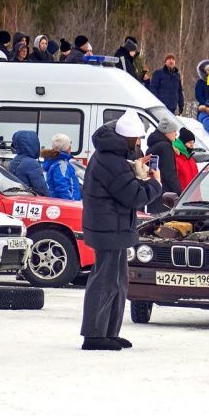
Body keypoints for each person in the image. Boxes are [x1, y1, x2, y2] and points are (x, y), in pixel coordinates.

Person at [80, 111, 159, 351]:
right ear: (127, 137)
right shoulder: (111, 162)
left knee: (117, 281)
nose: (138, 144)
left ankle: (108, 332)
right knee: (106, 281)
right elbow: (135, 196)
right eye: (136, 139)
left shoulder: (109, 156)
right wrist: (155, 182)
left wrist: (135, 171)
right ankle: (95, 335)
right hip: (109, 229)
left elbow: (123, 188)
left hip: (111, 227)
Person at [143, 117, 182, 213]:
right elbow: (169, 173)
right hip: (166, 198)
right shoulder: (165, 147)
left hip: (153, 194)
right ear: (167, 132)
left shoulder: (152, 147)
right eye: (174, 131)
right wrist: (179, 193)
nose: (176, 134)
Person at [8, 130, 49, 195]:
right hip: (30, 200)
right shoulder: (32, 163)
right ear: (34, 144)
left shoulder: (14, 161)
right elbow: (41, 189)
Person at [43, 133, 81, 201]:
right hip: (69, 205)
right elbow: (63, 188)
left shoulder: (57, 162)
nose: (70, 148)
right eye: (69, 146)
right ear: (66, 148)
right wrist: (72, 203)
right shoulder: (61, 165)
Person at [173, 127, 199, 192]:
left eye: (193, 143)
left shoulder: (191, 159)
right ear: (182, 143)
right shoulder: (175, 158)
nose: (192, 145)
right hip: (182, 197)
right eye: (189, 142)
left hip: (193, 197)